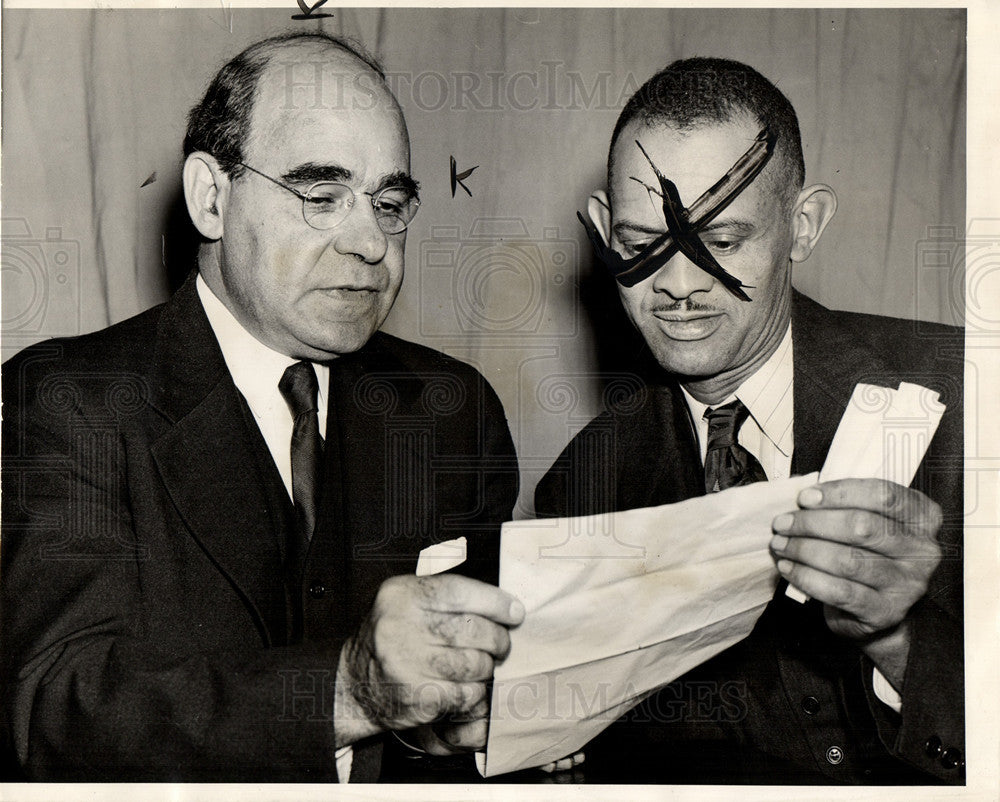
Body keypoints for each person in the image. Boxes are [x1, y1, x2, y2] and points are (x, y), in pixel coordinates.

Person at [0, 32, 524, 782]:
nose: (371, 242)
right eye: (321, 196)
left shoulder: (451, 409)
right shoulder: (72, 402)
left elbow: (445, 735)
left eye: (389, 202)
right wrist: (348, 692)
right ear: (211, 198)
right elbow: (54, 708)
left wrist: (451, 727)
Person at [535, 57, 964, 784]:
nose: (677, 286)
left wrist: (901, 640)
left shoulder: (970, 394)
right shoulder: (581, 485)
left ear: (804, 225)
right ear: (606, 229)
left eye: (723, 243)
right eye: (641, 246)